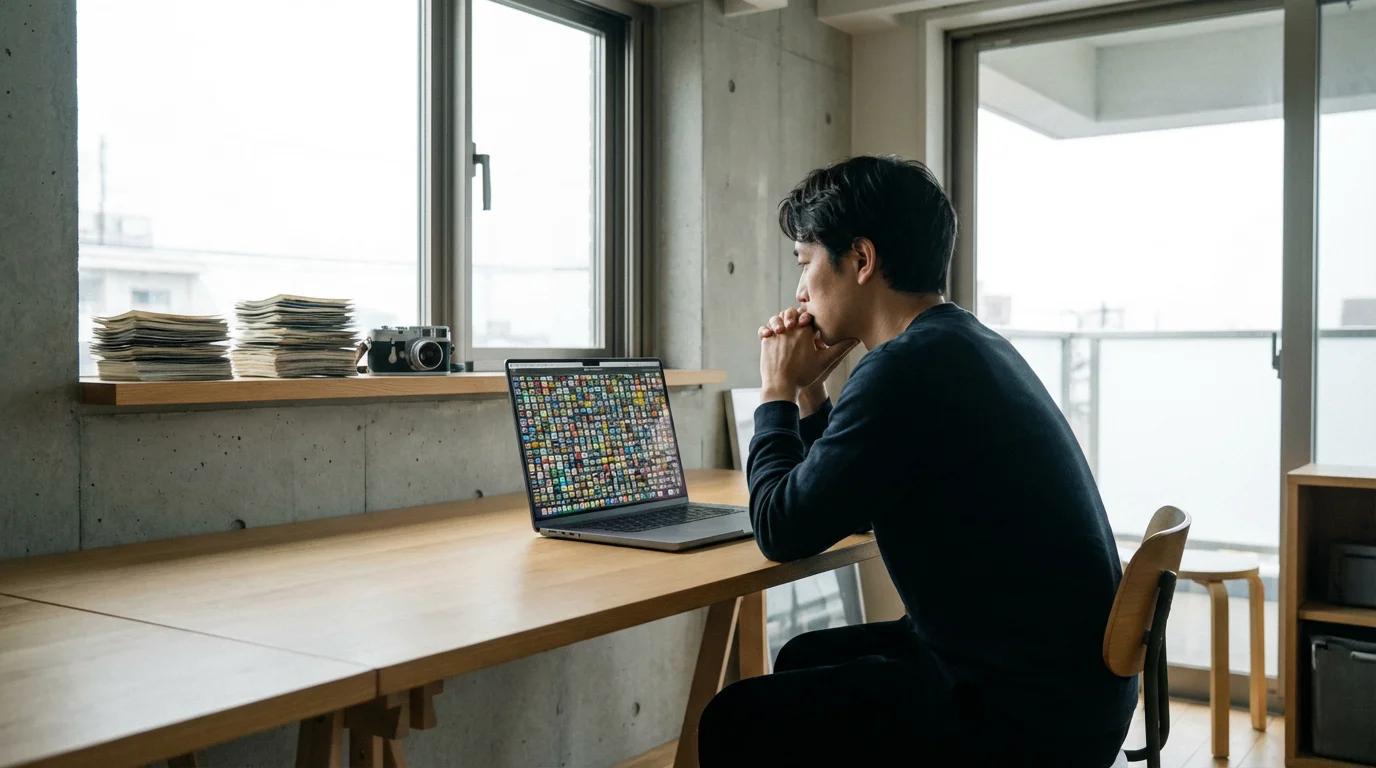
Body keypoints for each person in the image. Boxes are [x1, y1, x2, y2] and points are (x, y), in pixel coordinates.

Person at [696, 156, 1136, 766]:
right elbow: (855, 503)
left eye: (805, 263)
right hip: (1062, 687)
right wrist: (813, 394)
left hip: (1016, 713)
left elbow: (779, 528)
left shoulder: (904, 369)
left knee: (731, 722)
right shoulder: (960, 341)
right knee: (802, 658)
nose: (798, 291)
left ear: (861, 260)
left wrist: (775, 393)